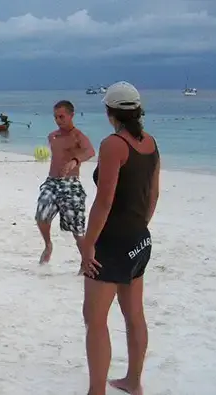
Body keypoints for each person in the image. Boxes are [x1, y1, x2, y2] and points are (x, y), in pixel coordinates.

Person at [80, 81, 160, 395]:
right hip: (140, 238)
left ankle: (96, 391)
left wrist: (88, 243)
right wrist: (138, 229)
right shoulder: (151, 143)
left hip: (112, 242)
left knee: (94, 318)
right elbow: (153, 194)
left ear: (110, 111)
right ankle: (133, 382)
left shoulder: (114, 144)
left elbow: (104, 201)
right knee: (134, 314)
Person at [35, 100, 95, 265]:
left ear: (71, 115)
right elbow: (56, 155)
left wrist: (74, 161)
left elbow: (90, 151)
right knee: (41, 214)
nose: (58, 120)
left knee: (77, 230)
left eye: (61, 116)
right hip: (52, 182)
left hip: (71, 184)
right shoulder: (53, 136)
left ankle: (86, 263)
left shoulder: (78, 136)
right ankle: (48, 245)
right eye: (55, 117)